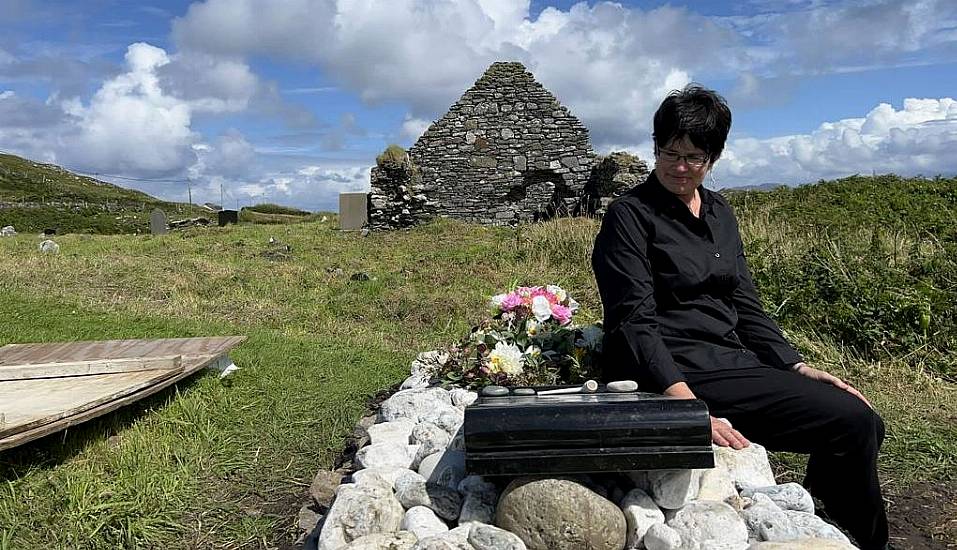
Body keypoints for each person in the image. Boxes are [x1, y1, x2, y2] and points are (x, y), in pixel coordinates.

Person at [591, 84, 888, 550]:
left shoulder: (719, 211)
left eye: (694, 157)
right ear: (655, 146)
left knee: (864, 418)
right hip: (673, 365)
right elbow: (632, 319)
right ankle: (869, 541)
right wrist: (685, 403)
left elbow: (744, 301)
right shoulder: (630, 216)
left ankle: (825, 510)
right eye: (669, 153)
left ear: (715, 157)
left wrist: (794, 364)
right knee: (850, 423)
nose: (680, 167)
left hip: (730, 359)